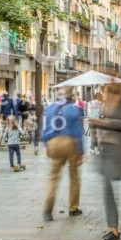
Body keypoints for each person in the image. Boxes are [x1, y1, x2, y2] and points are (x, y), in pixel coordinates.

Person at [89, 83, 121, 240]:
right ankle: (113, 230)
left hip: (115, 157)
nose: (104, 96)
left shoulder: (119, 108)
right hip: (109, 155)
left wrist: (102, 124)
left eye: (106, 93)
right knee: (108, 192)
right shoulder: (110, 107)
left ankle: (114, 234)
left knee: (109, 193)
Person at [42, 86, 84, 221]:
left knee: (53, 177)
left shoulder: (49, 108)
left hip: (53, 142)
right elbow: (78, 132)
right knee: (74, 177)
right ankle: (73, 208)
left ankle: (48, 209)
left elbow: (44, 128)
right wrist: (80, 151)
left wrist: (46, 144)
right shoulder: (73, 109)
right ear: (70, 97)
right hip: (69, 142)